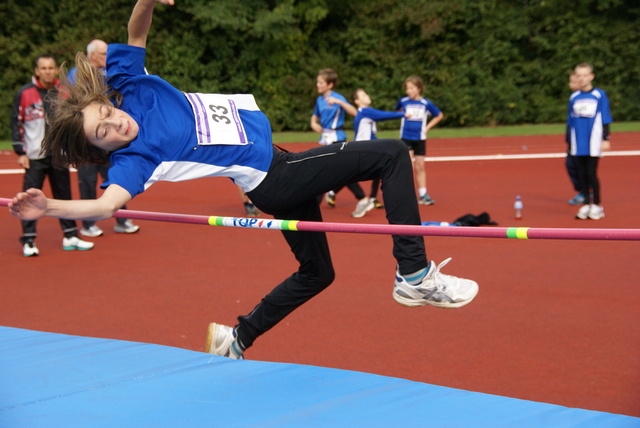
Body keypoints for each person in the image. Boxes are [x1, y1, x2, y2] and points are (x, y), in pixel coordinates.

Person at [8, 0, 479, 360]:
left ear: (109, 99)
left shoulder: (130, 84)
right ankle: (414, 273)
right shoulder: (135, 158)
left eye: (107, 114)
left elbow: (135, 30)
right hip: (275, 178)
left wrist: (145, 2)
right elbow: (105, 206)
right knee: (394, 154)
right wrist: (48, 207)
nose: (116, 126)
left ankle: (236, 338)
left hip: (279, 165)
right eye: (103, 134)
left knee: (318, 273)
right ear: (100, 150)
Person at [10, 53, 94, 257]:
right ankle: (28, 240)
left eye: (51, 68)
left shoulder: (64, 92)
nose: (48, 71)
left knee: (64, 195)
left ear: (56, 70)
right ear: (37, 71)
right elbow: (16, 122)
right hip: (34, 155)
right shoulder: (25, 93)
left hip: (59, 155)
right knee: (30, 197)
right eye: (44, 68)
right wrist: (20, 151)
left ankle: (70, 235)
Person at [69, 39, 140, 237]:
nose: (108, 58)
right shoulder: (77, 75)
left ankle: (122, 219)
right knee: (88, 179)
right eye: (104, 54)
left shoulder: (107, 73)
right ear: (92, 56)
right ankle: (89, 223)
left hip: (111, 137)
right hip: (90, 141)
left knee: (115, 176)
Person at [310, 68, 374, 217]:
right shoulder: (320, 100)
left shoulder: (338, 97)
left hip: (338, 138)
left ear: (330, 84)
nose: (317, 84)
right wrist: (314, 123)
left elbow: (354, 112)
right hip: (325, 138)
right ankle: (362, 199)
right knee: (330, 172)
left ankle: (362, 198)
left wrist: (339, 102)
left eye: (320, 82)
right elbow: (315, 117)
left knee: (328, 171)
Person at [567, 62, 612, 220]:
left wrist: (605, 138)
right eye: (579, 76)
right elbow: (570, 121)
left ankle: (597, 205)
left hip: (593, 141)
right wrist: (569, 142)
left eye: (585, 75)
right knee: (581, 173)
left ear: (591, 77)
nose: (582, 79)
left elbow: (605, 117)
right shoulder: (574, 97)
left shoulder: (599, 95)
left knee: (591, 173)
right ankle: (586, 203)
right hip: (577, 141)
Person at [351, 88, 408, 212]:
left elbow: (369, 135)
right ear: (357, 101)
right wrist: (403, 114)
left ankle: (371, 198)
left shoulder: (362, 113)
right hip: (362, 150)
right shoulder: (365, 111)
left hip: (363, 148)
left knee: (380, 168)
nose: (367, 96)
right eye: (363, 95)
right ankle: (364, 198)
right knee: (348, 175)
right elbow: (383, 115)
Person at [396, 75, 443, 205]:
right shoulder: (403, 101)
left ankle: (423, 194)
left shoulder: (425, 103)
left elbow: (439, 115)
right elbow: (398, 112)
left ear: (419, 88)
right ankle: (405, 194)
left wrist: (427, 128)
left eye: (411, 88)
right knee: (407, 166)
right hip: (406, 137)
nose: (408, 91)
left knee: (420, 166)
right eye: (407, 88)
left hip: (419, 138)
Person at [566, 71, 585, 206]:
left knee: (581, 167)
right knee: (571, 165)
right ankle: (583, 191)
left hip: (582, 140)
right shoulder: (573, 97)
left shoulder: (587, 98)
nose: (570, 85)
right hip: (573, 138)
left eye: (573, 82)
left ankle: (586, 193)